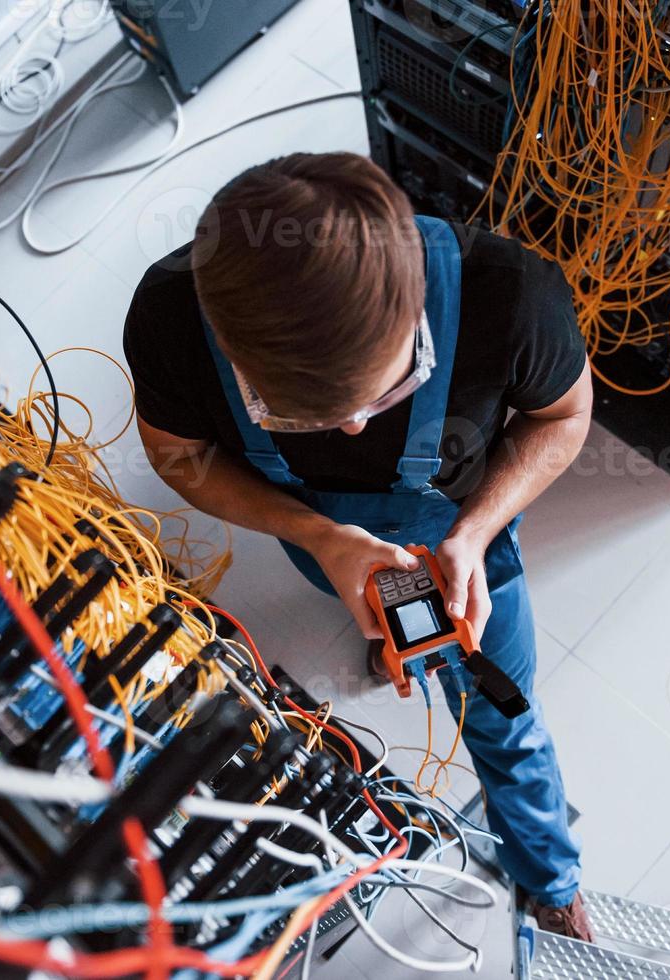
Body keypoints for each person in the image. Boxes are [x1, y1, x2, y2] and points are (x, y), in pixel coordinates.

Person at [122, 152, 594, 939]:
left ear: (417, 308)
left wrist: (474, 533)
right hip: (320, 545)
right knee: (402, 629)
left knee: (502, 714)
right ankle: (396, 645)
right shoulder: (171, 316)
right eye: (300, 417)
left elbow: (564, 420)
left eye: (394, 390)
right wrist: (319, 535)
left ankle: (550, 874)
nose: (351, 430)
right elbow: (179, 455)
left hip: (468, 543)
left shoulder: (510, 294)